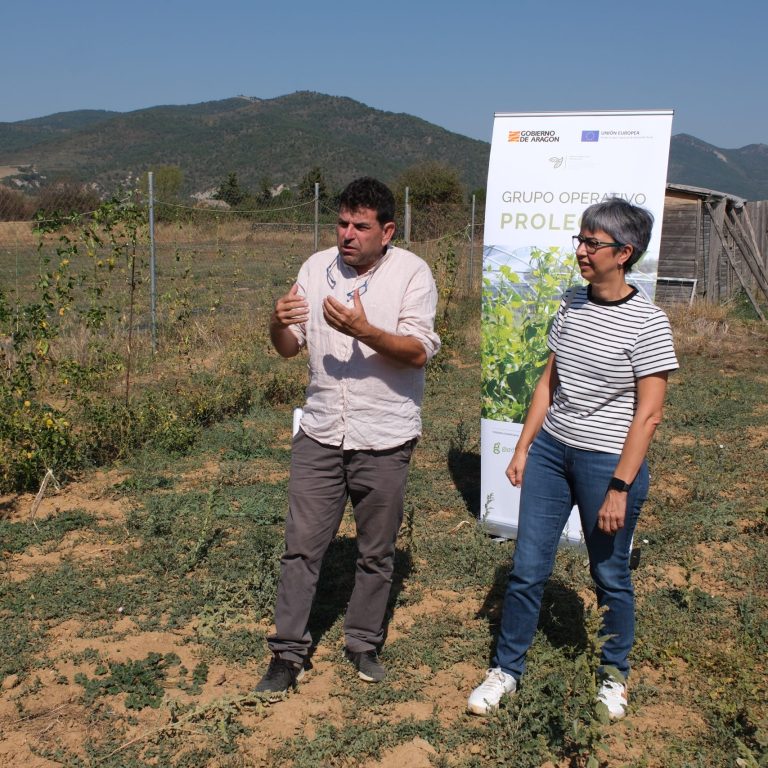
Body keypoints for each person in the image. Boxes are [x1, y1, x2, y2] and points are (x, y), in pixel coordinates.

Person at [468, 198, 679, 719]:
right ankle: (506, 669)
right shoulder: (571, 303)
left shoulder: (648, 323)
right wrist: (523, 447)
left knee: (609, 574)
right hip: (551, 454)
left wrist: (619, 486)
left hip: (607, 464)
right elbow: (549, 381)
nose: (581, 251)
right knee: (526, 568)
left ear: (624, 253)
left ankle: (613, 674)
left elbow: (648, 416)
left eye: (592, 243)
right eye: (580, 240)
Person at [255, 177, 440, 694]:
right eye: (342, 223)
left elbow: (419, 350)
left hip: (384, 435)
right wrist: (275, 322)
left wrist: (366, 332)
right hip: (319, 432)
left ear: (387, 231)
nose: (347, 235)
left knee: (376, 552)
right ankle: (287, 653)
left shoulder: (412, 274)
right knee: (301, 548)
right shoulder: (315, 269)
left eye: (361, 226)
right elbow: (288, 347)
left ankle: (362, 641)